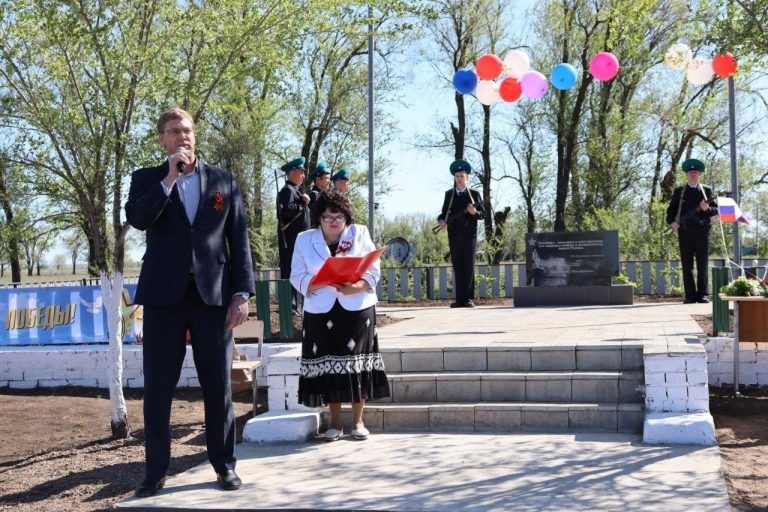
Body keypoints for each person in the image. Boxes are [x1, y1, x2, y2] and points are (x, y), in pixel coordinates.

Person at [125, 107, 255, 497]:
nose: (182, 136)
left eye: (187, 130)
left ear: (194, 135)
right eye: (174, 131)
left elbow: (239, 239)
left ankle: (224, 465)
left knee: (218, 387)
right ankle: (155, 472)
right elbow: (138, 218)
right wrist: (169, 178)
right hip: (163, 300)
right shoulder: (146, 179)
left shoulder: (222, 180)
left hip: (212, 299)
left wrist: (241, 293)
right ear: (162, 139)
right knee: (158, 390)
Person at [290, 191, 390, 441]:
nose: (334, 222)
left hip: (356, 307)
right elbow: (296, 275)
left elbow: (373, 268)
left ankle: (358, 421)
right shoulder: (304, 239)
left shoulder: (359, 233)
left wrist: (358, 286)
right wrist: (319, 281)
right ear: (319, 217)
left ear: (346, 217)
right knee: (328, 365)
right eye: (328, 217)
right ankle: (334, 423)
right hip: (320, 309)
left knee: (357, 364)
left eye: (339, 217)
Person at [666, 158, 717, 304]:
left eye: (695, 172)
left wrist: (707, 208)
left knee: (702, 264)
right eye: (690, 172)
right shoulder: (680, 191)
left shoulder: (707, 191)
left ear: (699, 174)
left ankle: (703, 295)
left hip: (702, 233)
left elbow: (716, 210)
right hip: (685, 232)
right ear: (686, 175)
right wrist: (671, 222)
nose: (693, 174)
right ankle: (689, 295)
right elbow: (671, 211)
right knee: (687, 265)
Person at [437, 159, 486, 308]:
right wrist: (441, 221)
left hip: (469, 236)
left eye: (462, 176)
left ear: (467, 177)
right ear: (454, 177)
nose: (459, 179)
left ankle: (468, 299)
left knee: (468, 266)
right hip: (454, 236)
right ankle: (459, 299)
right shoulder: (449, 194)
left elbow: (483, 214)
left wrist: (474, 212)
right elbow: (444, 213)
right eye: (457, 176)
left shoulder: (474, 194)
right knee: (457, 267)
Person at [277, 157, 311, 315]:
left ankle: (297, 306)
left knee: (298, 271)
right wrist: (302, 203)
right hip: (291, 241)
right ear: (292, 172)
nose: (303, 175)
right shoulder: (287, 191)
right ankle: (291, 306)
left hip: (298, 241)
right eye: (301, 172)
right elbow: (285, 212)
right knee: (291, 271)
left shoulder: (295, 190)